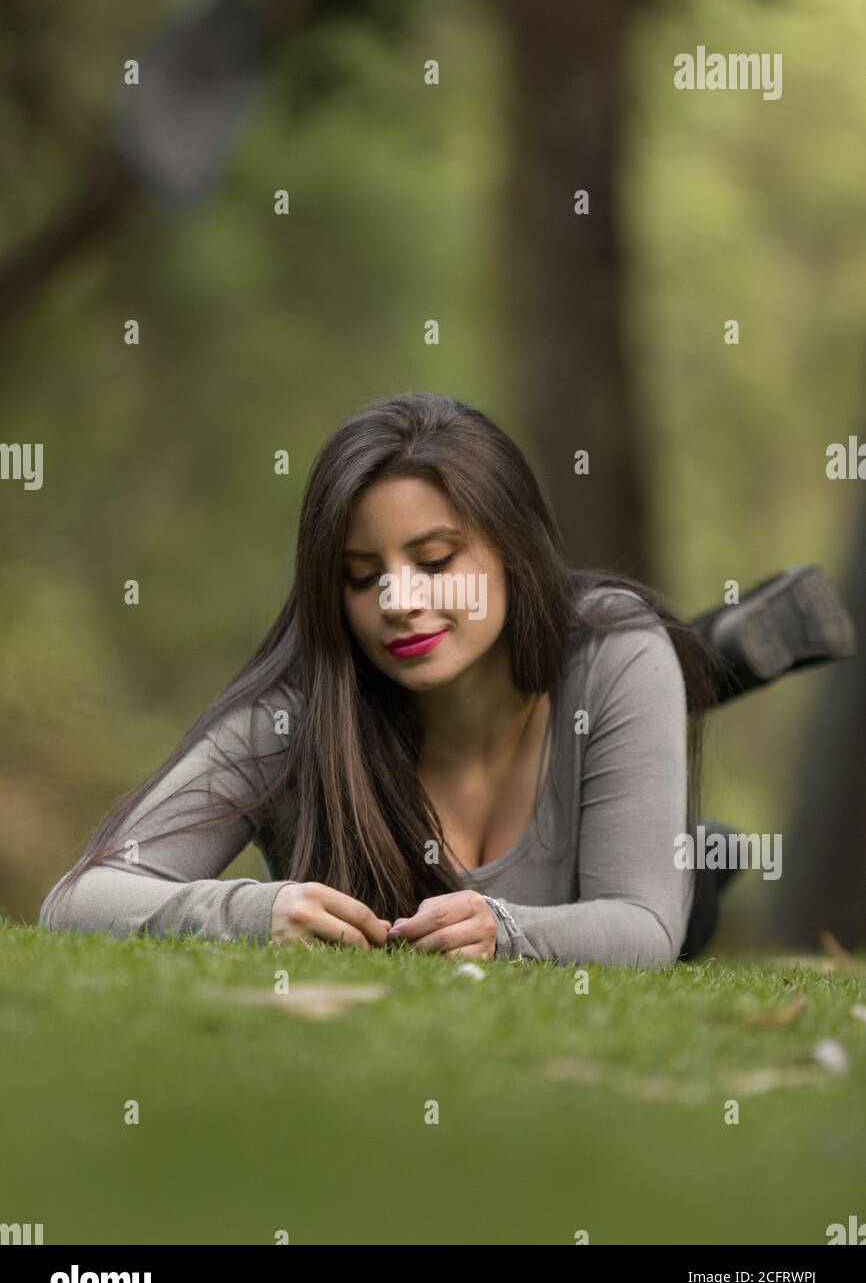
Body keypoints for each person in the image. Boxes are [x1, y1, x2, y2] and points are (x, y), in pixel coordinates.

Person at [38, 393, 856, 966]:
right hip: (593, 735)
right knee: (676, 848)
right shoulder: (295, 718)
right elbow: (77, 902)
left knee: (675, 908)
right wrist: (247, 912)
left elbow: (638, 928)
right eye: (362, 576)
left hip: (605, 766)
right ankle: (696, 725)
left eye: (434, 562)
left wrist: (507, 930)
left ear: (513, 550)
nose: (399, 602)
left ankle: (689, 677)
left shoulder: (613, 653)